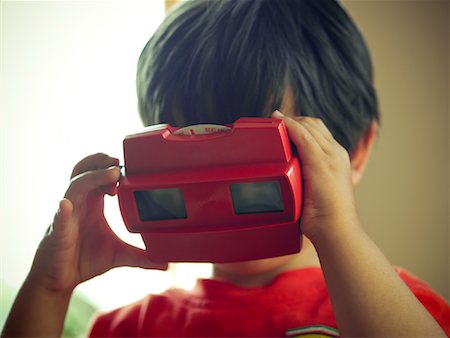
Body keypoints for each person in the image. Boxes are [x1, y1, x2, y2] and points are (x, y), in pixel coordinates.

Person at [2, 0, 449, 337]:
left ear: (357, 152)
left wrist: (340, 232)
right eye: (192, 154)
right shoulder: (131, 328)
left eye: (254, 159)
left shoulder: (397, 310)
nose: (220, 191)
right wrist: (49, 289)